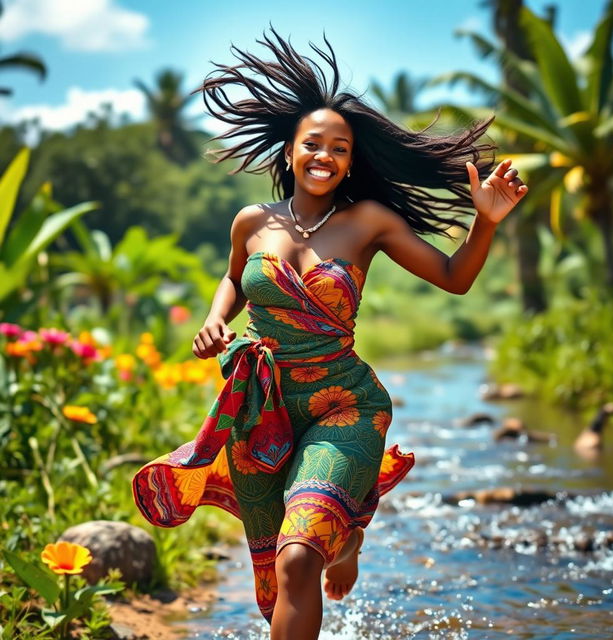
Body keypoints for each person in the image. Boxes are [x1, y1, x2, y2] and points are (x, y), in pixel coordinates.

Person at [132, 26, 527, 640]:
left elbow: (453, 279)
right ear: (289, 151)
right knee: (275, 567)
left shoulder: (368, 221)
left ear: (351, 161)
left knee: (297, 561)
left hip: (344, 404)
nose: (325, 156)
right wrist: (216, 318)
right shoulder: (252, 221)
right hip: (260, 411)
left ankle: (338, 532)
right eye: (313, 144)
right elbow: (233, 280)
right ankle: (349, 533)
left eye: (339, 148)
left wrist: (486, 222)